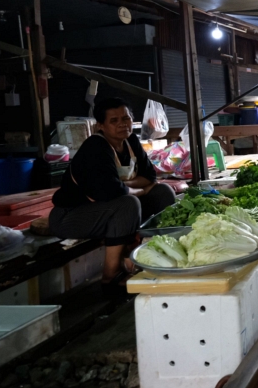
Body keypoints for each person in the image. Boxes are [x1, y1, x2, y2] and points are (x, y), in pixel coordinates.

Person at [50, 97, 176, 294]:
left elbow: (150, 176)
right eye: (114, 121)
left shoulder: (131, 141)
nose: (122, 125)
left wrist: (126, 185)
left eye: (125, 119)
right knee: (128, 203)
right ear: (101, 125)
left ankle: (157, 255)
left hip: (105, 208)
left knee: (163, 192)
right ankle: (110, 276)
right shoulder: (95, 147)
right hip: (71, 216)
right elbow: (111, 191)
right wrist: (135, 189)